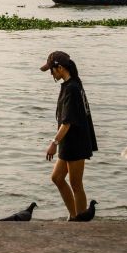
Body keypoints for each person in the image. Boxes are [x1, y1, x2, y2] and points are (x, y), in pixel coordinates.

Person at [42, 50, 97, 220]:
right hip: (68, 140)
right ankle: (73, 216)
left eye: (52, 69)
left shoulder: (72, 88)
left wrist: (54, 143)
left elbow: (67, 122)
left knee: (76, 184)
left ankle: (80, 220)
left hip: (76, 141)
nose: (51, 73)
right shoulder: (71, 84)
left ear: (59, 68)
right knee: (57, 178)